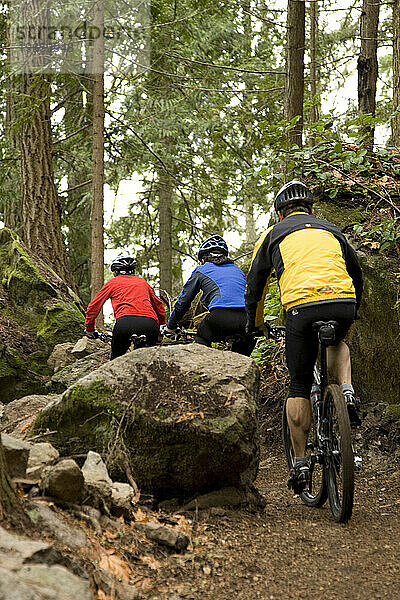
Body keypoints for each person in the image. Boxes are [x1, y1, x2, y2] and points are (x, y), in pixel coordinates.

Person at [245, 180, 363, 494]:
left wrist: (254, 325)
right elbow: (356, 270)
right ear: (311, 209)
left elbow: (256, 285)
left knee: (299, 384)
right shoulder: (331, 229)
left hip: (301, 308)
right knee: (338, 342)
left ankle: (299, 464)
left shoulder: (273, 235)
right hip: (343, 301)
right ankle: (347, 391)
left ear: (279, 214)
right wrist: (355, 307)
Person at [164, 235, 255, 356]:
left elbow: (183, 302)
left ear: (203, 259)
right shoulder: (237, 269)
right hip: (247, 320)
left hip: (219, 317)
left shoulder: (201, 269)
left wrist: (171, 326)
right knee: (241, 359)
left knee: (202, 342)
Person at [84, 254, 166, 359]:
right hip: (149, 324)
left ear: (116, 272)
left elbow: (94, 306)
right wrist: (161, 329)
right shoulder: (143, 283)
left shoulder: (113, 283)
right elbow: (159, 307)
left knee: (115, 361)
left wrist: (89, 328)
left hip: (125, 323)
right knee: (149, 361)